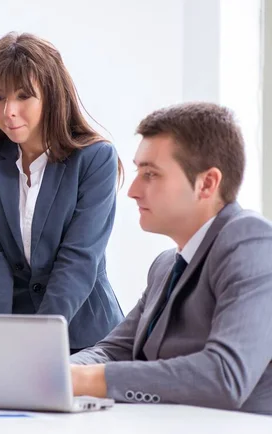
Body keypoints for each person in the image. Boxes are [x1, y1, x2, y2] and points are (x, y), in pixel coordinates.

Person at [69, 102, 272, 415]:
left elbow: (225, 375)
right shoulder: (166, 265)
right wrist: (52, 372)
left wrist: (87, 380)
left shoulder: (252, 241)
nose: (133, 190)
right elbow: (115, 350)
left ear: (207, 183)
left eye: (151, 174)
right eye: (138, 172)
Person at [0, 32, 124, 353]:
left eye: (24, 96)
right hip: (15, 334)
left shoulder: (95, 157)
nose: (9, 110)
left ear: (51, 96)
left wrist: (38, 344)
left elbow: (79, 261)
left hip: (86, 337)